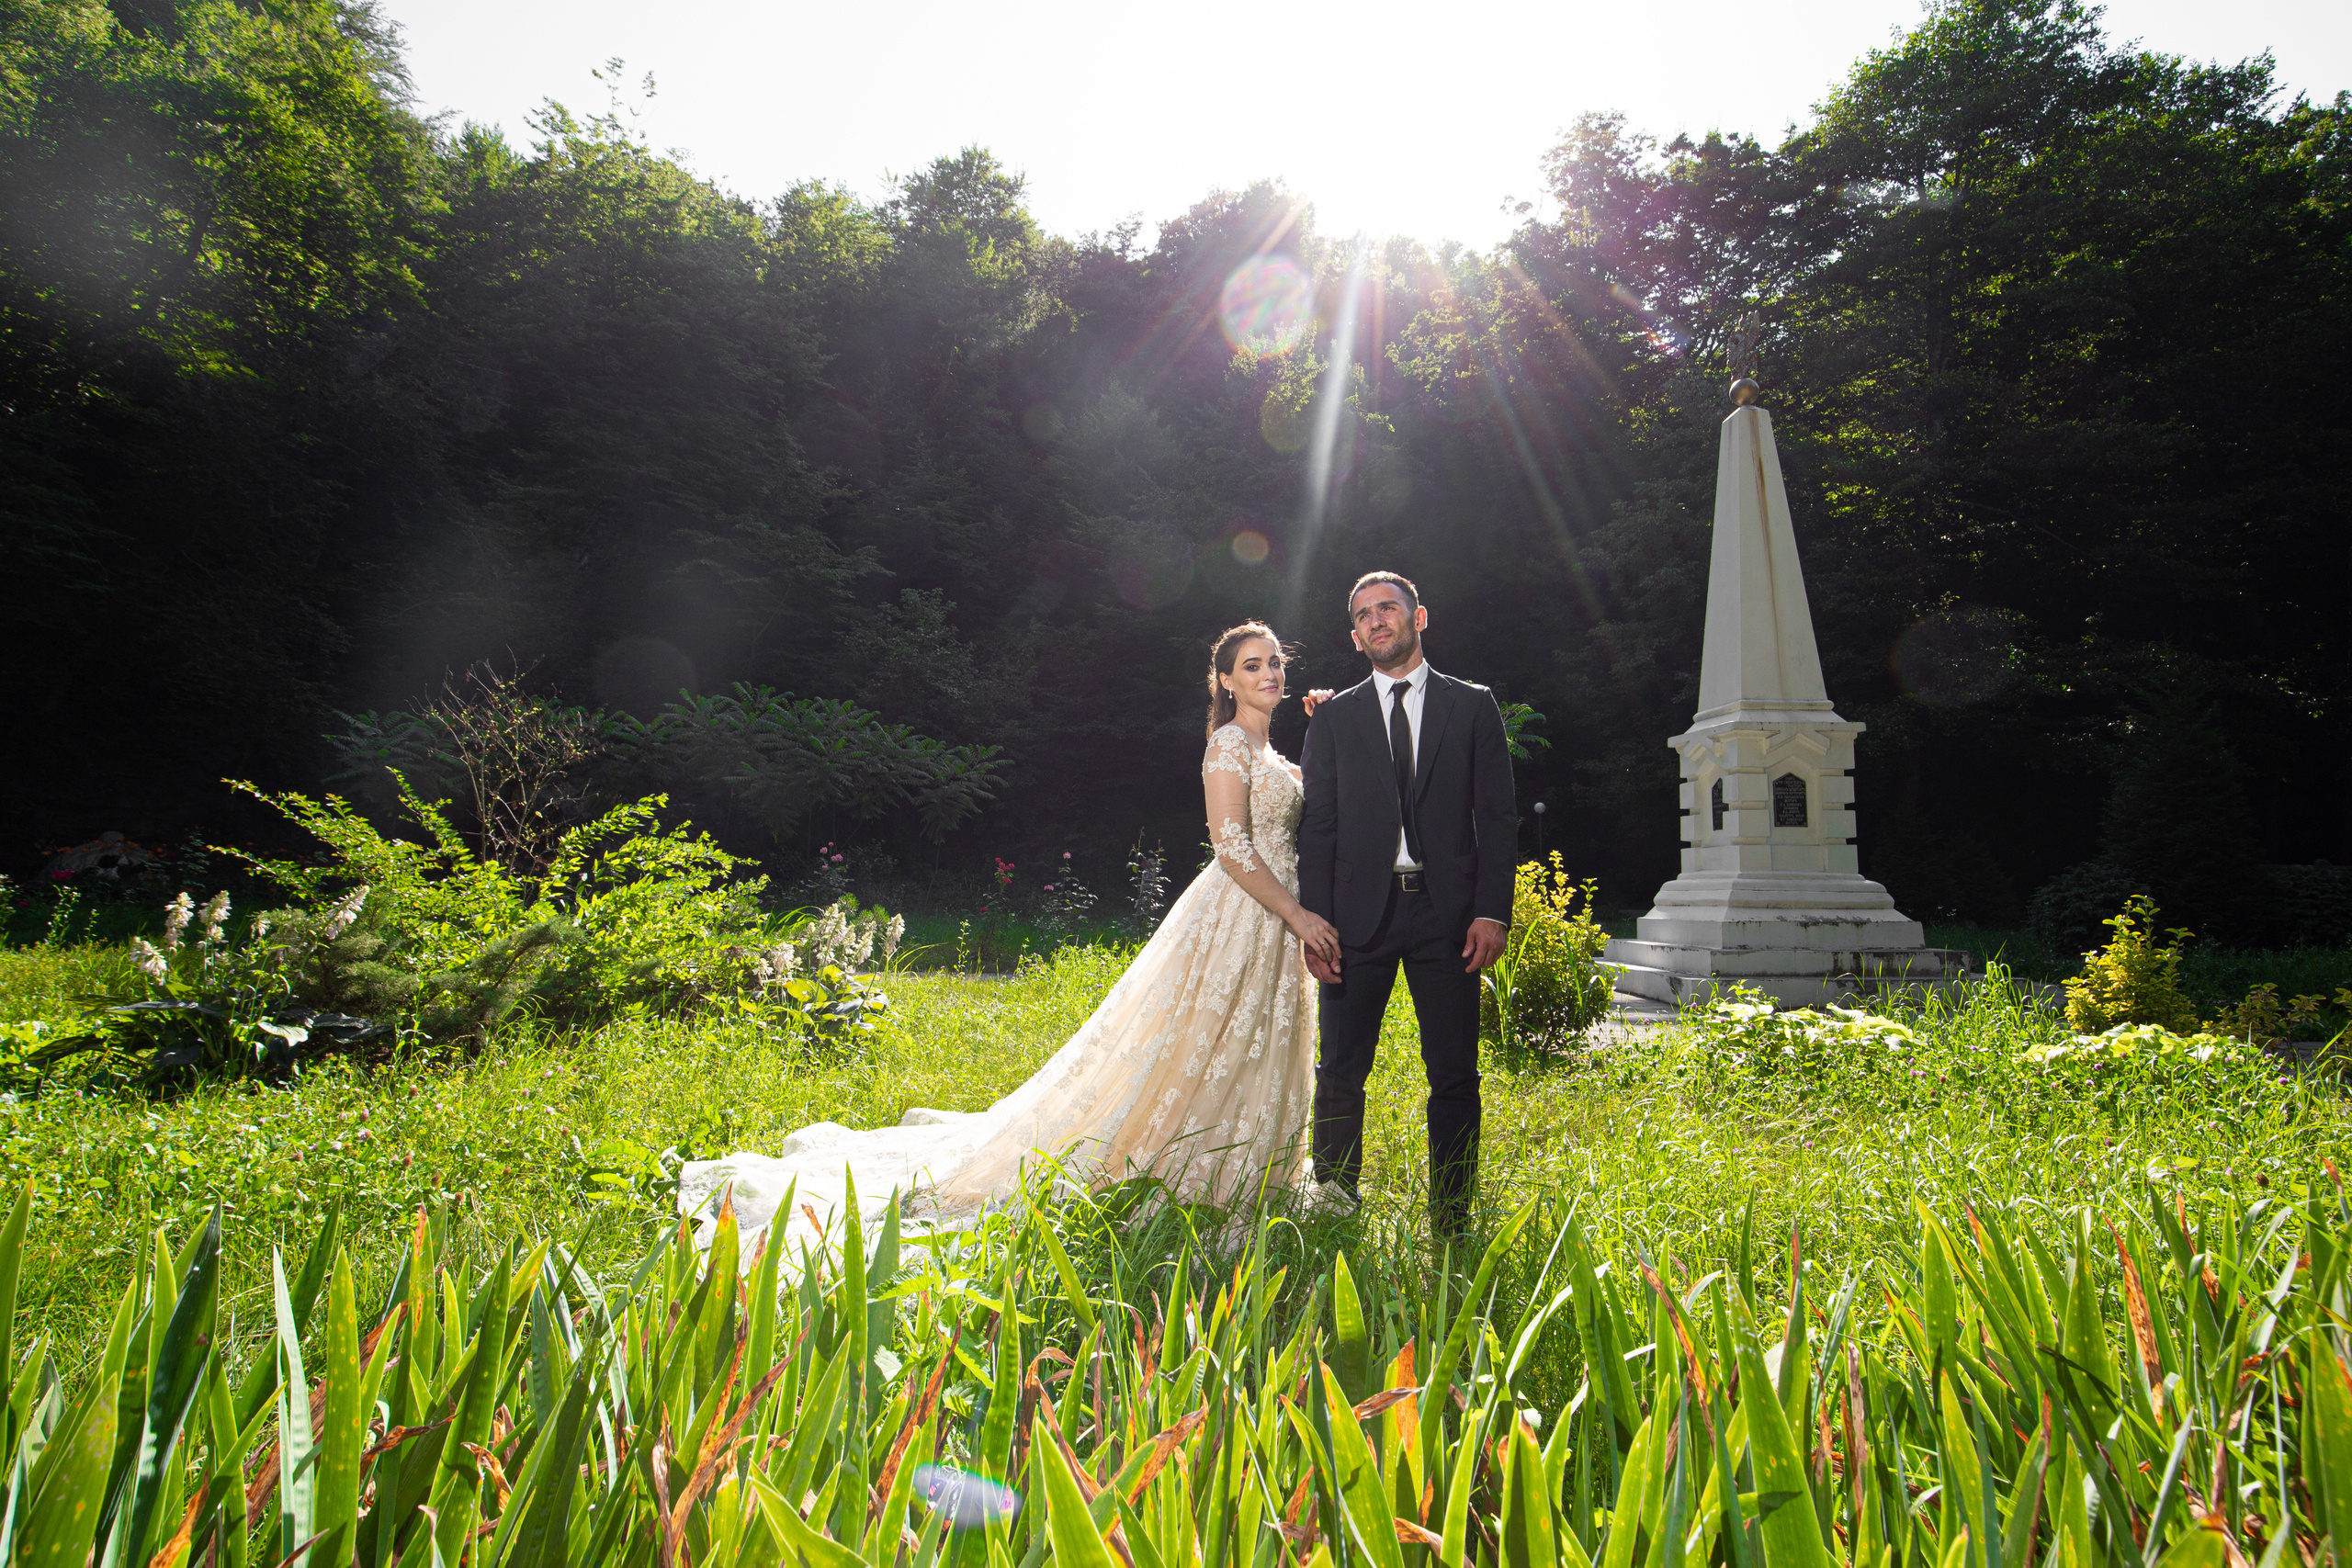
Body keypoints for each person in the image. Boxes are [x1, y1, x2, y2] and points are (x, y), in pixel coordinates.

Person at [677, 623, 1342, 1254]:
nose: (1268, 672)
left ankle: (1249, 1173)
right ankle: (1176, 1165)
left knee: (1248, 1041)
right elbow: (1230, 846)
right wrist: (1300, 916)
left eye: (1276, 661)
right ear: (1225, 680)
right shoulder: (1227, 744)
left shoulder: (1273, 752)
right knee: (1195, 1043)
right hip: (1244, 910)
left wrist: (1326, 726)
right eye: (1251, 664)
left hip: (1274, 922)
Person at [1296, 570, 1515, 1239]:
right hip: (1354, 920)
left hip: (1448, 919)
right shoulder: (1333, 718)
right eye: (1363, 614)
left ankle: (1451, 1217)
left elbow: (1498, 816)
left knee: (1454, 1072)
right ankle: (1334, 1203)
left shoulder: (1473, 706)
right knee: (1340, 1068)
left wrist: (1492, 910)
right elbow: (1319, 827)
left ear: (1420, 617)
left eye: (1388, 607)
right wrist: (1314, 920)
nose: (1376, 620)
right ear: (1356, 635)